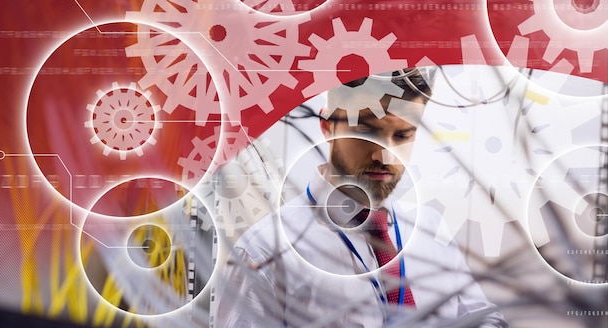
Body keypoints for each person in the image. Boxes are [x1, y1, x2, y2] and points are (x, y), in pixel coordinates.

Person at [214, 69, 508, 327]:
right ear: (328, 126)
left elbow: (484, 316)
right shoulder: (264, 253)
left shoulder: (431, 228)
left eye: (403, 136)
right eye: (368, 130)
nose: (385, 156)